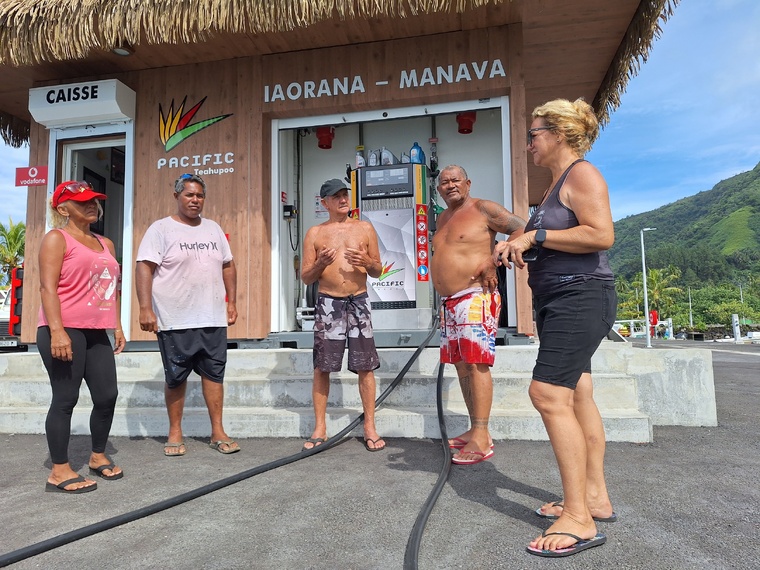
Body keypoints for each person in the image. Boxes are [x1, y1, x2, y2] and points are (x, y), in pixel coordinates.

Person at [494, 98, 617, 557]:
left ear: (560, 134)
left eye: (533, 134)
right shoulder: (552, 188)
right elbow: (542, 233)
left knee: (546, 394)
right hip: (557, 298)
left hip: (580, 296)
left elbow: (601, 234)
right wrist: (514, 235)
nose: (528, 143)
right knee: (578, 393)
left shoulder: (582, 174)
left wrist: (535, 235)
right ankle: (593, 498)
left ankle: (579, 520)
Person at [136, 173, 240, 456]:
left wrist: (231, 301)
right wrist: (145, 308)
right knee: (176, 377)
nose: (195, 200)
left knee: (214, 375)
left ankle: (217, 431)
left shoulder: (213, 229)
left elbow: (228, 265)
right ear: (177, 196)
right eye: (189, 195)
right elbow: (144, 267)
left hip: (212, 317)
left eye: (200, 196)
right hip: (175, 317)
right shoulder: (161, 229)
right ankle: (175, 431)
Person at [430, 165, 526, 465]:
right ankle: (474, 428)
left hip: (475, 295)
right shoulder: (442, 217)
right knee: (460, 366)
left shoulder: (483, 208)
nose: (450, 185)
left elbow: (523, 227)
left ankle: (482, 437)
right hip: (449, 302)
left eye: (455, 180)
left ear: (467, 183)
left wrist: (496, 254)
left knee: (476, 363)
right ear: (439, 189)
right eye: (444, 182)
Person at [38, 180, 126, 493]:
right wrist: (57, 331)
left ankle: (98, 455)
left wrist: (115, 325)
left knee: (107, 395)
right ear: (63, 209)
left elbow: (110, 290)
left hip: (96, 330)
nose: (92, 205)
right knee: (65, 399)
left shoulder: (107, 244)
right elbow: (47, 288)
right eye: (83, 201)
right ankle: (59, 471)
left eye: (94, 200)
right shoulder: (56, 239)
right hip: (63, 328)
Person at [300, 178, 385, 452]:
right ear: (324, 202)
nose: (342, 199)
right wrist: (321, 264)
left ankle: (370, 425)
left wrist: (368, 262)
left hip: (358, 301)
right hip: (328, 304)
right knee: (322, 366)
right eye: (335, 196)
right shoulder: (315, 233)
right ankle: (320, 426)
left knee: (365, 364)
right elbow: (305, 277)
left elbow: (377, 270)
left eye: (344, 194)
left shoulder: (365, 228)